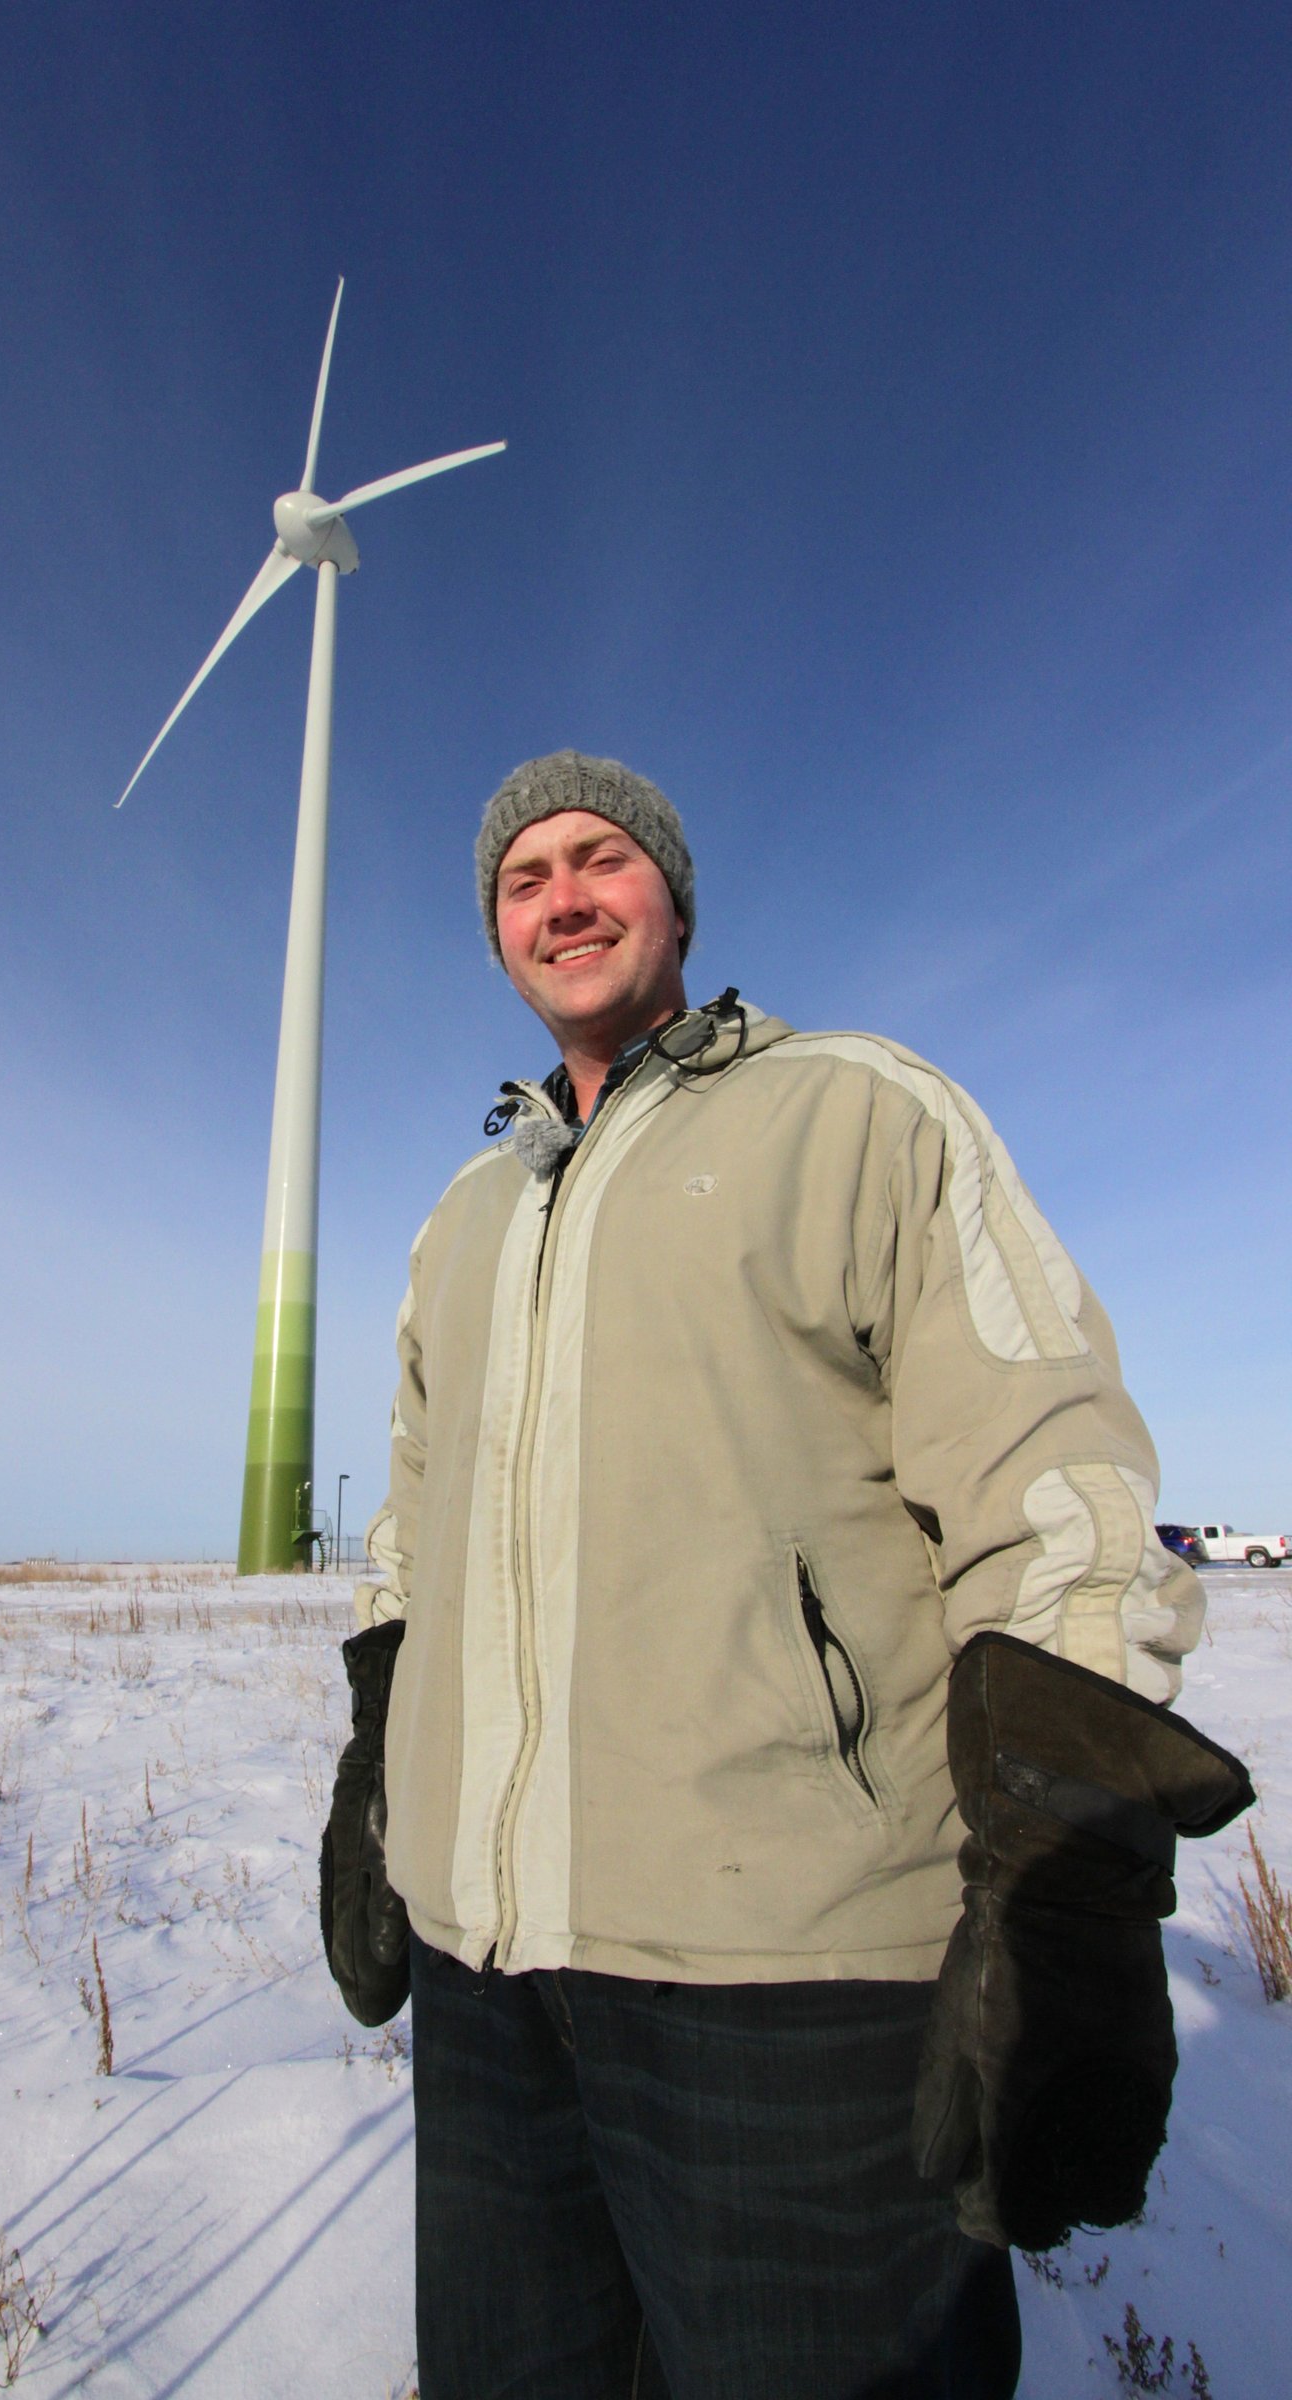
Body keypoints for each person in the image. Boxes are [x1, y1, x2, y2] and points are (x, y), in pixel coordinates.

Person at [318, 751, 1251, 2399]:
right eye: (524, 881)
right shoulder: (463, 1217)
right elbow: (411, 1525)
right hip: (486, 1989)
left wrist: (1070, 1890)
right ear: (497, 941)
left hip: (801, 1991)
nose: (565, 897)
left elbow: (1057, 1496)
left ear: (675, 898)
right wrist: (376, 1765)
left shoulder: (859, 1113)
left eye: (601, 858)